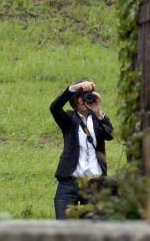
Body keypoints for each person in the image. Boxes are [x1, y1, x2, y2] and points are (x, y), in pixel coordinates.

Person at [50, 78, 114, 219]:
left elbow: (110, 135)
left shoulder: (98, 119)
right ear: (75, 100)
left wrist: (98, 112)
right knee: (63, 228)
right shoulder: (68, 119)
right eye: (81, 96)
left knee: (94, 230)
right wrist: (73, 88)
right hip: (69, 182)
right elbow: (54, 108)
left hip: (94, 184)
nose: (84, 99)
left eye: (89, 95)